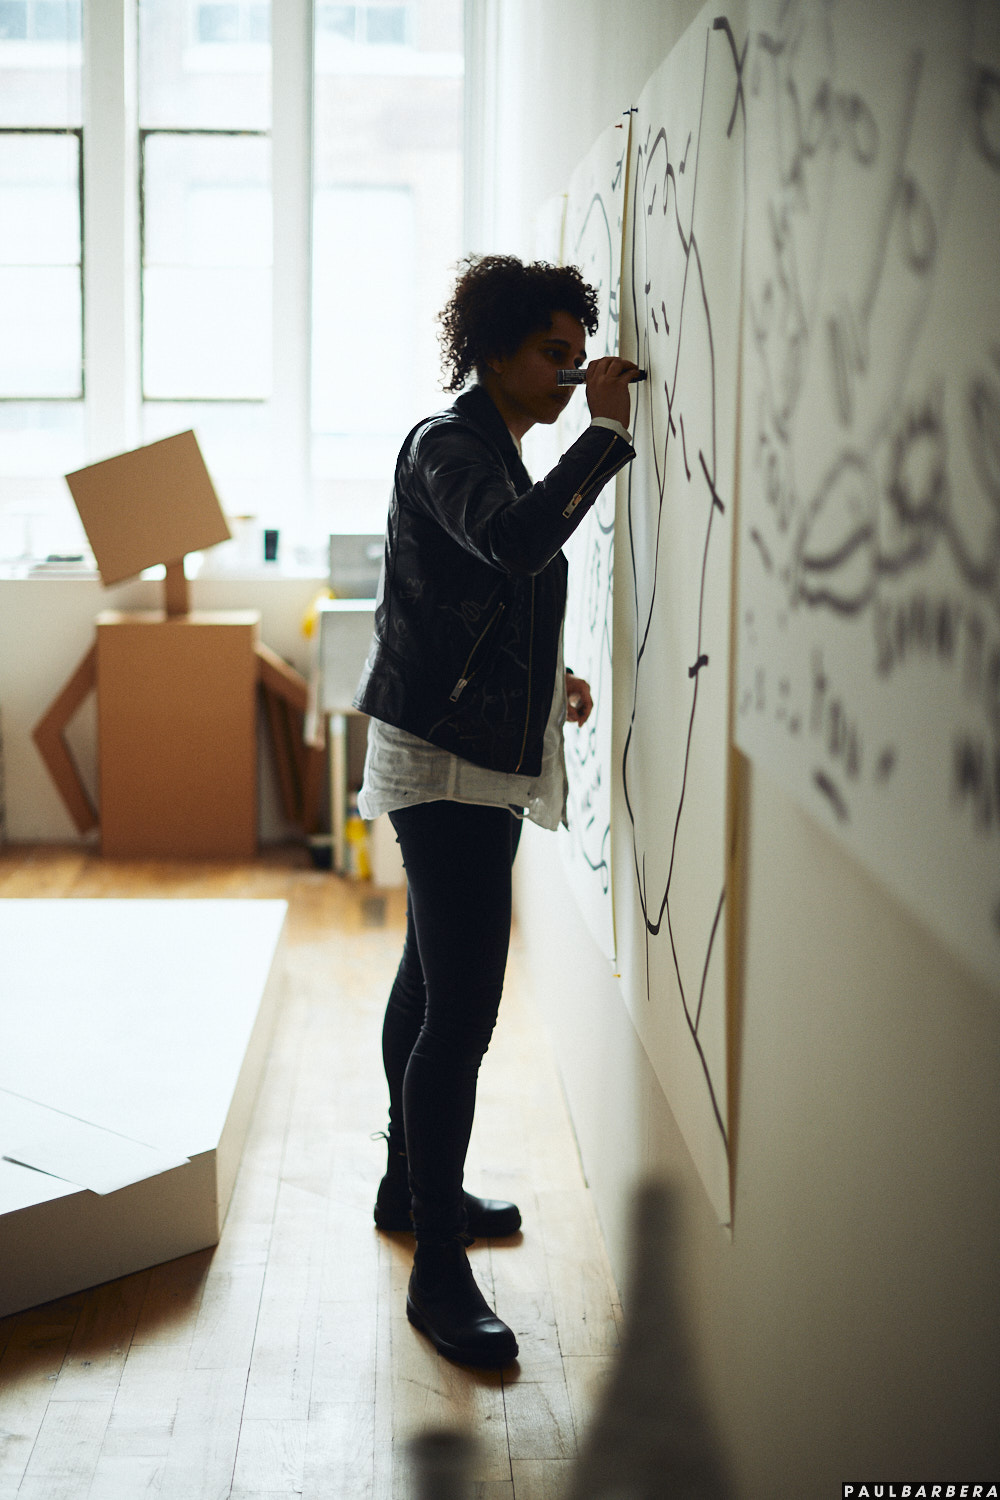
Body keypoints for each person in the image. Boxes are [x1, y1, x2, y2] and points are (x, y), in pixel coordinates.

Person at [354, 253, 638, 1368]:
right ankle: (436, 1267)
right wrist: (605, 434)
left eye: (579, 355)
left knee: (429, 980)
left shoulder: (490, 449)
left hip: (464, 743)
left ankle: (406, 1186)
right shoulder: (449, 445)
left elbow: (479, 598)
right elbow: (516, 543)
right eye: (554, 354)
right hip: (444, 762)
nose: (571, 372)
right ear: (495, 353)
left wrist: (544, 683)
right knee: (462, 1010)